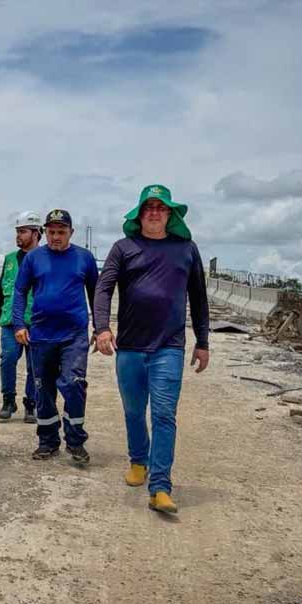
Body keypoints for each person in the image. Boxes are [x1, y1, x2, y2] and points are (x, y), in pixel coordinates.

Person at [93, 184, 210, 515]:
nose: (155, 212)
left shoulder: (186, 249)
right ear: (140, 214)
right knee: (133, 411)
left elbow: (199, 299)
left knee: (163, 415)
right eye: (149, 207)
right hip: (129, 346)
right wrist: (101, 328)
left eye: (161, 207)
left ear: (170, 214)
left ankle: (160, 486)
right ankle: (138, 460)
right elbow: (103, 290)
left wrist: (203, 342)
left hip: (168, 348)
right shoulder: (123, 248)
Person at [12, 209, 99, 463]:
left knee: (73, 384)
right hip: (41, 335)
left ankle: (75, 440)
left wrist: (100, 326)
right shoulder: (33, 259)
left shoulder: (84, 258)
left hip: (74, 335)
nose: (56, 237)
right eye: (51, 232)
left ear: (71, 232)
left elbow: (96, 294)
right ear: (45, 233)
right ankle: (48, 441)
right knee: (43, 390)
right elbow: (19, 292)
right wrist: (19, 324)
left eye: (61, 232)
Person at [0, 211, 43, 424]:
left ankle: (31, 404)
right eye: (17, 232)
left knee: (34, 365)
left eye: (23, 232)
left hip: (37, 321)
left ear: (36, 233)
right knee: (8, 359)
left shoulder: (44, 257)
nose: (18, 236)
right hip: (11, 320)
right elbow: (2, 288)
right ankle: (8, 400)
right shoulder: (10, 259)